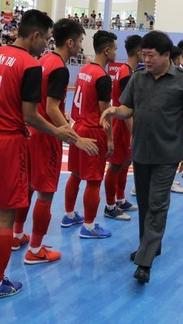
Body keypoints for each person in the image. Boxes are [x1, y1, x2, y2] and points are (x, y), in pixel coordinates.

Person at [0, 10, 76, 303]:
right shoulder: (29, 65)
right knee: (4, 216)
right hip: (6, 142)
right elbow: (30, 116)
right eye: (45, 39)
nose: (45, 45)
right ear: (35, 36)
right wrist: (60, 132)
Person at [100, 31, 183, 284]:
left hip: (167, 155)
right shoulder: (138, 78)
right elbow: (128, 108)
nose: (146, 59)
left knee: (157, 205)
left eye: (151, 55)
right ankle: (151, 245)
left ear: (166, 55)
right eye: (143, 54)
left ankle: (144, 262)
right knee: (145, 205)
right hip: (141, 153)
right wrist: (114, 110)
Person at [11, 19, 99, 264]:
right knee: (46, 193)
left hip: (30, 131)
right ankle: (36, 249)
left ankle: (17, 235)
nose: (81, 47)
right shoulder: (59, 67)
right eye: (80, 41)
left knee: (28, 188)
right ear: (70, 42)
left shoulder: (44, 60)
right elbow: (51, 108)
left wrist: (62, 111)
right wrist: (75, 136)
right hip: (47, 135)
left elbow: (45, 102)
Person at [63, 30, 118, 239]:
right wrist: (110, 140)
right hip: (93, 132)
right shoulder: (103, 78)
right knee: (94, 181)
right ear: (106, 50)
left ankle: (68, 215)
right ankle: (89, 225)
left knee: (76, 175)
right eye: (114, 48)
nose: (116, 52)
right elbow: (105, 114)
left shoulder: (84, 69)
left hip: (78, 129)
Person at [104, 35, 142, 221]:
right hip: (122, 124)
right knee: (116, 164)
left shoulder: (128, 71)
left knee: (126, 162)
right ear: (138, 52)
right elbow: (126, 108)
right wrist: (135, 133)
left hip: (124, 123)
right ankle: (110, 205)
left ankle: (120, 198)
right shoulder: (127, 74)